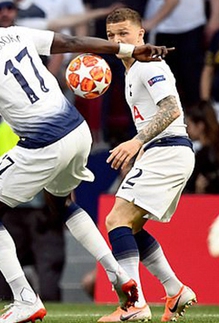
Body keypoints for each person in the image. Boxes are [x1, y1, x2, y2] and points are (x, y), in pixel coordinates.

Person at [0, 2, 171, 322]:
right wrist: (128, 49)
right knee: (60, 202)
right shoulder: (14, 33)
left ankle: (25, 299)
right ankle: (119, 276)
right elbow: (72, 43)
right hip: (77, 131)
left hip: (44, 143)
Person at [98, 8, 197, 322]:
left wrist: (137, 142)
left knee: (116, 221)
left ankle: (135, 304)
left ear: (141, 34)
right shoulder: (131, 70)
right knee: (132, 226)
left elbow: (171, 110)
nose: (117, 40)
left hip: (168, 150)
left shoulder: (148, 65)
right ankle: (175, 288)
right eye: (111, 35)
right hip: (161, 152)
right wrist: (141, 152)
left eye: (123, 33)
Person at [0, 120, 64, 302]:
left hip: (10, 205)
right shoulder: (40, 122)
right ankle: (50, 307)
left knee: (8, 262)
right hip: (41, 206)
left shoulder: (3, 128)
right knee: (49, 263)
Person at [184, 101, 219, 194]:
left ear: (200, 125)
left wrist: (198, 190)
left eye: (189, 125)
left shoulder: (204, 156)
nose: (187, 130)